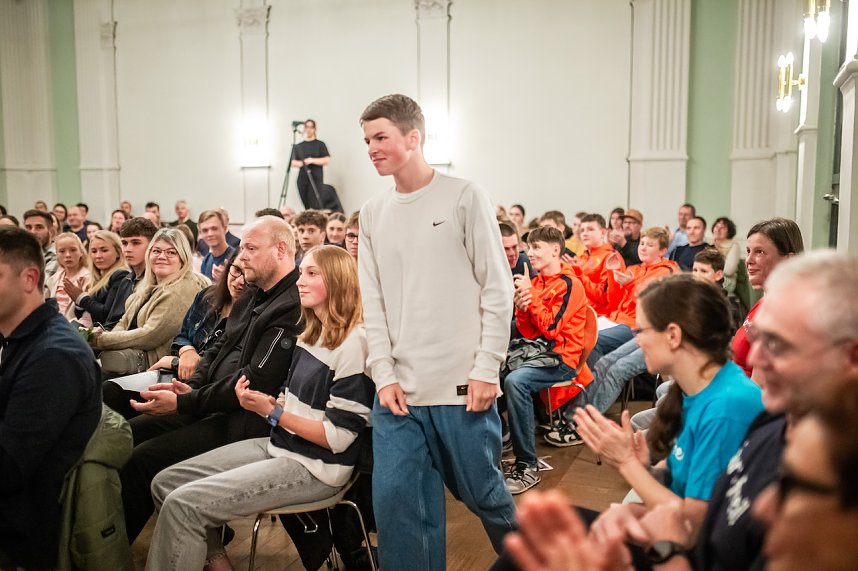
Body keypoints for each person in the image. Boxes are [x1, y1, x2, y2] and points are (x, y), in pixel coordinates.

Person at [359, 93, 516, 569]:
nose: (371, 148)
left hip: (461, 385)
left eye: (380, 137)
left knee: (484, 495)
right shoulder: (371, 212)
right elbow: (375, 303)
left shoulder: (464, 195)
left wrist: (488, 368)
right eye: (366, 140)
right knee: (398, 510)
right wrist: (382, 374)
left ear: (414, 137)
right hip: (397, 392)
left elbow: (497, 288)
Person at [145, 245, 374, 569]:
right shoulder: (311, 332)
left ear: (337, 281)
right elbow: (300, 400)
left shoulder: (354, 344)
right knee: (164, 483)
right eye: (301, 271)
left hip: (316, 467)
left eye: (312, 273)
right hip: (283, 445)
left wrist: (273, 412)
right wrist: (274, 403)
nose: (300, 281)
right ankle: (217, 561)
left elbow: (338, 438)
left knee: (184, 504)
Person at [112, 215, 302, 542]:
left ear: (281, 250)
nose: (241, 258)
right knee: (126, 436)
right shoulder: (254, 293)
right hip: (207, 401)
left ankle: (112, 559)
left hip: (242, 421)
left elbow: (252, 382)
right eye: (242, 248)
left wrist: (185, 401)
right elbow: (215, 346)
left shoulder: (290, 306)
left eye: (252, 249)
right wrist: (191, 387)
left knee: (143, 460)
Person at [575, 275, 763, 544]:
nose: (637, 340)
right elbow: (675, 475)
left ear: (673, 335)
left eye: (642, 331)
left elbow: (691, 529)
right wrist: (642, 466)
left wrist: (627, 464)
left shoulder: (726, 406)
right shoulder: (699, 389)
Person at [0, 227, 101, 570]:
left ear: (29, 278)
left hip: (20, 526)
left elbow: (8, 466)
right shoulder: (16, 338)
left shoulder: (54, 356)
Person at [504, 226, 593, 494]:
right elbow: (529, 331)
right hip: (539, 353)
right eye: (529, 247)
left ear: (556, 250)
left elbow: (552, 328)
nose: (529, 253)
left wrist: (532, 300)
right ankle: (498, 442)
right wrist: (521, 307)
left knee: (515, 382)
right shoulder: (539, 282)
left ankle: (528, 465)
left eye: (536, 247)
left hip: (561, 359)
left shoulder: (570, 284)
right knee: (491, 371)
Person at [90, 227, 208, 371]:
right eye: (156, 251)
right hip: (128, 358)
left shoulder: (181, 289)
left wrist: (102, 340)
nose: (161, 257)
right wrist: (107, 339)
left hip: (155, 368)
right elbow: (124, 322)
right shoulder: (146, 285)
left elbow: (149, 336)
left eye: (171, 252)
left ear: (182, 259)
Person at [587, 227, 678, 368]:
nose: (643, 248)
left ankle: (596, 385)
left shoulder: (666, 272)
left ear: (662, 251)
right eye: (642, 243)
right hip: (616, 320)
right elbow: (614, 302)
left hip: (638, 327)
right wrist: (613, 273)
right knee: (578, 334)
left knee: (592, 340)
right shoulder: (633, 269)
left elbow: (645, 301)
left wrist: (629, 284)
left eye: (650, 245)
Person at [146, 255, 246, 382]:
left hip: (205, 387)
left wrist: (175, 362)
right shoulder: (207, 295)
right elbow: (182, 336)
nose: (239, 281)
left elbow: (221, 367)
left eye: (247, 275)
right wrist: (187, 351)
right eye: (236, 270)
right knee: (116, 389)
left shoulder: (252, 316)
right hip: (179, 375)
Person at [731, 217, 803, 377]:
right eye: (748, 251)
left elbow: (758, 391)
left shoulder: (783, 312)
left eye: (760, 252)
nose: (748, 260)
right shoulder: (766, 301)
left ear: (789, 260)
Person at [71, 230, 131, 329]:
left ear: (118, 253)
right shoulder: (96, 277)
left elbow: (106, 314)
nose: (98, 256)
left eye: (104, 250)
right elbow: (80, 314)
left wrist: (81, 298)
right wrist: (79, 301)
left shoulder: (121, 275)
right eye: (94, 251)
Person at [576, 213, 621, 316]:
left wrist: (580, 276)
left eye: (590, 229)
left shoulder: (611, 258)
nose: (584, 233)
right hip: (579, 314)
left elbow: (605, 298)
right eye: (582, 230)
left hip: (600, 318)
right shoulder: (581, 257)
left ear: (603, 232)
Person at [45, 232, 92, 325]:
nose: (67, 255)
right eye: (62, 251)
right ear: (56, 254)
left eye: (73, 250)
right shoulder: (53, 279)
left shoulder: (88, 278)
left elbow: (88, 316)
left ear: (81, 252)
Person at [291, 119, 335, 210]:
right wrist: (304, 162)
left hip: (316, 179)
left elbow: (326, 160)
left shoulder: (320, 144)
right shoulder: (299, 146)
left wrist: (312, 160)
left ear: (314, 129)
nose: (309, 129)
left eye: (311, 127)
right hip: (303, 179)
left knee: (315, 204)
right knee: (306, 205)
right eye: (307, 127)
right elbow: (293, 162)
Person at [198, 209, 236, 281]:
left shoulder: (236, 258)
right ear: (201, 233)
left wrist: (226, 280)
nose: (210, 234)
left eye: (214, 228)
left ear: (224, 229)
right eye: (205, 230)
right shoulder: (206, 260)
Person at [23, 208, 58, 279]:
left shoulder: (56, 256)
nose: (32, 232)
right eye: (28, 227)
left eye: (39, 227)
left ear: (51, 232)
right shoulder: (21, 254)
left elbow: (39, 285)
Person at [711, 216, 740, 293]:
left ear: (729, 232)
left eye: (723, 228)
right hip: (709, 276)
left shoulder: (734, 245)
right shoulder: (710, 243)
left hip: (726, 281)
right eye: (716, 226)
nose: (718, 229)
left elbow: (729, 271)